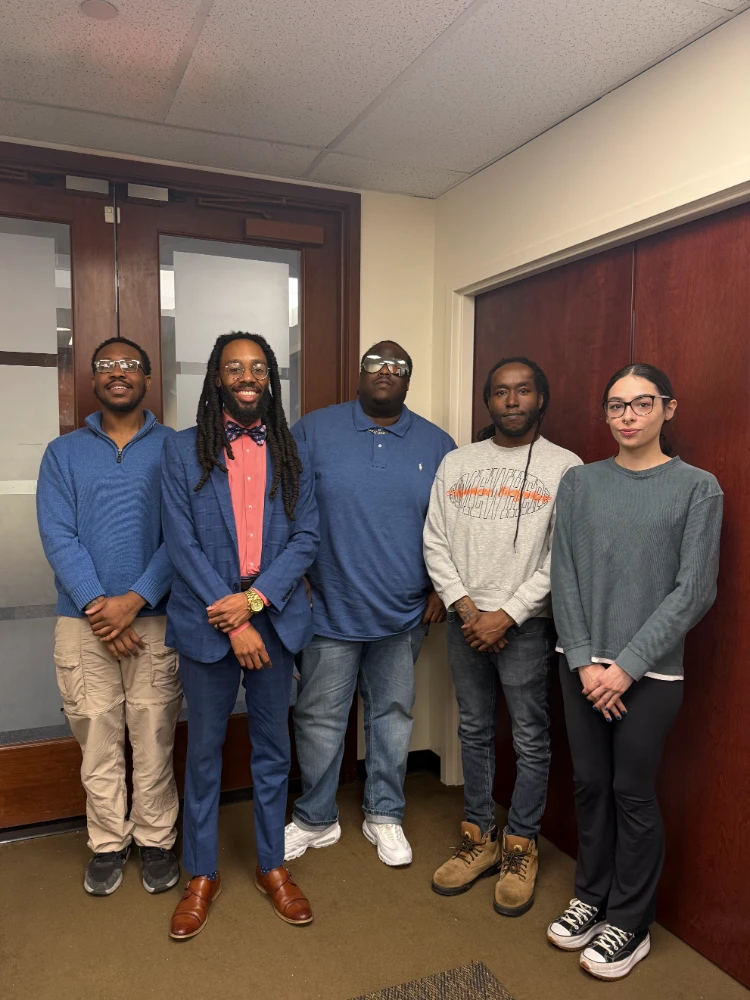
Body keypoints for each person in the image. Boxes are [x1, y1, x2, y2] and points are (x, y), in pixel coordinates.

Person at [548, 364, 722, 981]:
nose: (628, 416)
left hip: (651, 676)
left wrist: (625, 667)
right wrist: (584, 660)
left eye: (642, 403)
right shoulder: (579, 482)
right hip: (580, 667)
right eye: (616, 405)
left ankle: (630, 921)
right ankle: (591, 897)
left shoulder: (698, 488)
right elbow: (563, 574)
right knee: (590, 785)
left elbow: (694, 591)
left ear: (668, 409)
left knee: (632, 792)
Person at [161, 331, 319, 939]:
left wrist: (253, 604)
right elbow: (181, 543)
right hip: (208, 623)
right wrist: (232, 619)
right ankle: (201, 873)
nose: (247, 376)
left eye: (257, 367)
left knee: (273, 750)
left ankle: (271, 864)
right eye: (234, 367)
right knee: (203, 753)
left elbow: (306, 538)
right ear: (216, 378)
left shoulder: (290, 448)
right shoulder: (182, 450)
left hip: (273, 618)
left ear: (269, 378)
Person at [285, 341, 455, 867]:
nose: (386, 371)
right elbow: (281, 504)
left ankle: (384, 813)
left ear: (408, 380)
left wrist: (440, 589)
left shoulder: (438, 444)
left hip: (404, 612)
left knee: (392, 716)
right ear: (359, 374)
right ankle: (316, 818)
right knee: (319, 718)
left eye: (398, 367)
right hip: (327, 608)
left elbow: (451, 525)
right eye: (376, 364)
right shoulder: (313, 430)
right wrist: (291, 578)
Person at [424, 357, 581, 916]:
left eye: (523, 391)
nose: (511, 401)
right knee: (473, 729)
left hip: (527, 628)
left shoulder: (567, 467)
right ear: (487, 401)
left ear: (541, 399)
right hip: (465, 623)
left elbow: (562, 555)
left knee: (530, 738)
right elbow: (434, 540)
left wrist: (507, 615)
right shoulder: (457, 462)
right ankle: (479, 836)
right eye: (500, 392)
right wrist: (469, 611)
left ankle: (520, 845)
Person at [36, 337, 180, 897]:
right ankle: (107, 843)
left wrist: (135, 600)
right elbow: (58, 534)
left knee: (154, 734)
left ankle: (157, 838)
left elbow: (183, 536)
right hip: (83, 623)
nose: (118, 373)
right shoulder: (62, 453)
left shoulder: (176, 448)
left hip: (155, 619)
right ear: (92, 378)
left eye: (130, 365)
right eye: (106, 365)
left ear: (148, 378)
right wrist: (101, 608)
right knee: (96, 736)